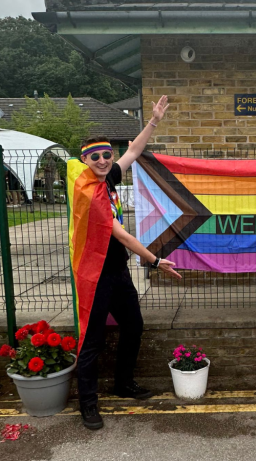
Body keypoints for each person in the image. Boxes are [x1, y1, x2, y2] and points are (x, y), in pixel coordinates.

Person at [67, 95, 182, 430]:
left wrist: (154, 121)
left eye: (106, 155)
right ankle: (88, 404)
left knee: (134, 326)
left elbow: (133, 152)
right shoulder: (89, 194)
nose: (103, 161)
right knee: (92, 340)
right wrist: (156, 260)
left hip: (117, 272)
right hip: (95, 275)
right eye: (95, 157)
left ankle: (123, 383)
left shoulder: (109, 179)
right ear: (85, 160)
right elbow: (124, 237)